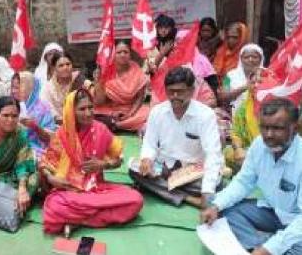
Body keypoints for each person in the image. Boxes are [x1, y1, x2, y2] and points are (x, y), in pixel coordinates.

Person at [201, 98, 302, 255]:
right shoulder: (259, 145)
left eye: (277, 128)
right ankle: (258, 245)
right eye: (264, 127)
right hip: (272, 212)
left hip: (297, 221)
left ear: (295, 128)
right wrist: (216, 206)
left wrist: (269, 249)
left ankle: (265, 245)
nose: (268, 135)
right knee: (217, 205)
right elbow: (243, 182)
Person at [40, 89, 143, 236]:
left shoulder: (100, 129)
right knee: (54, 206)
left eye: (90, 107)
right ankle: (92, 215)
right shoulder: (62, 135)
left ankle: (76, 220)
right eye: (82, 109)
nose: (88, 113)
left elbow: (118, 159)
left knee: (136, 200)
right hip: (70, 190)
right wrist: (51, 178)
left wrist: (104, 164)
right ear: (71, 111)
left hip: (96, 188)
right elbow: (45, 163)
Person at [130, 67, 224, 207]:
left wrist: (207, 191)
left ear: (192, 91)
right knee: (134, 169)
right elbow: (150, 143)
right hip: (164, 168)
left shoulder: (205, 115)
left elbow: (213, 154)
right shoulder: (158, 111)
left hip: (194, 172)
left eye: (180, 92)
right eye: (170, 91)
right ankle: (187, 198)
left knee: (214, 183)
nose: (174, 96)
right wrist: (147, 159)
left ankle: (159, 189)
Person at [93, 41, 149, 132]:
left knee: (149, 113)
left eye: (125, 52)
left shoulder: (136, 68)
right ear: (113, 55)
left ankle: (115, 125)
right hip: (110, 110)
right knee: (93, 114)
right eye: (119, 52)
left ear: (130, 55)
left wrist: (131, 114)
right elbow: (100, 101)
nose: (123, 55)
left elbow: (140, 97)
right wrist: (98, 81)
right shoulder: (105, 71)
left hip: (131, 109)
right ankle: (116, 123)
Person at [11, 71, 57, 160]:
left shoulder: (43, 108)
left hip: (37, 150)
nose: (13, 91)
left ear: (29, 87)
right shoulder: (9, 105)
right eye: (12, 87)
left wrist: (34, 126)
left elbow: (50, 139)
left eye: (17, 87)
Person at [41, 52, 86, 124]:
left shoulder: (80, 80)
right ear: (54, 68)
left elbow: (94, 100)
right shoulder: (48, 88)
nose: (65, 67)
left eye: (68, 64)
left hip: (81, 123)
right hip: (56, 126)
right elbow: (47, 110)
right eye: (61, 65)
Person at [219, 43, 264, 114]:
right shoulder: (229, 75)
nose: (250, 60)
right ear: (241, 59)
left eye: (255, 57)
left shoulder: (267, 74)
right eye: (246, 57)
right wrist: (245, 87)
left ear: (261, 59)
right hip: (237, 116)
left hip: (260, 116)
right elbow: (223, 96)